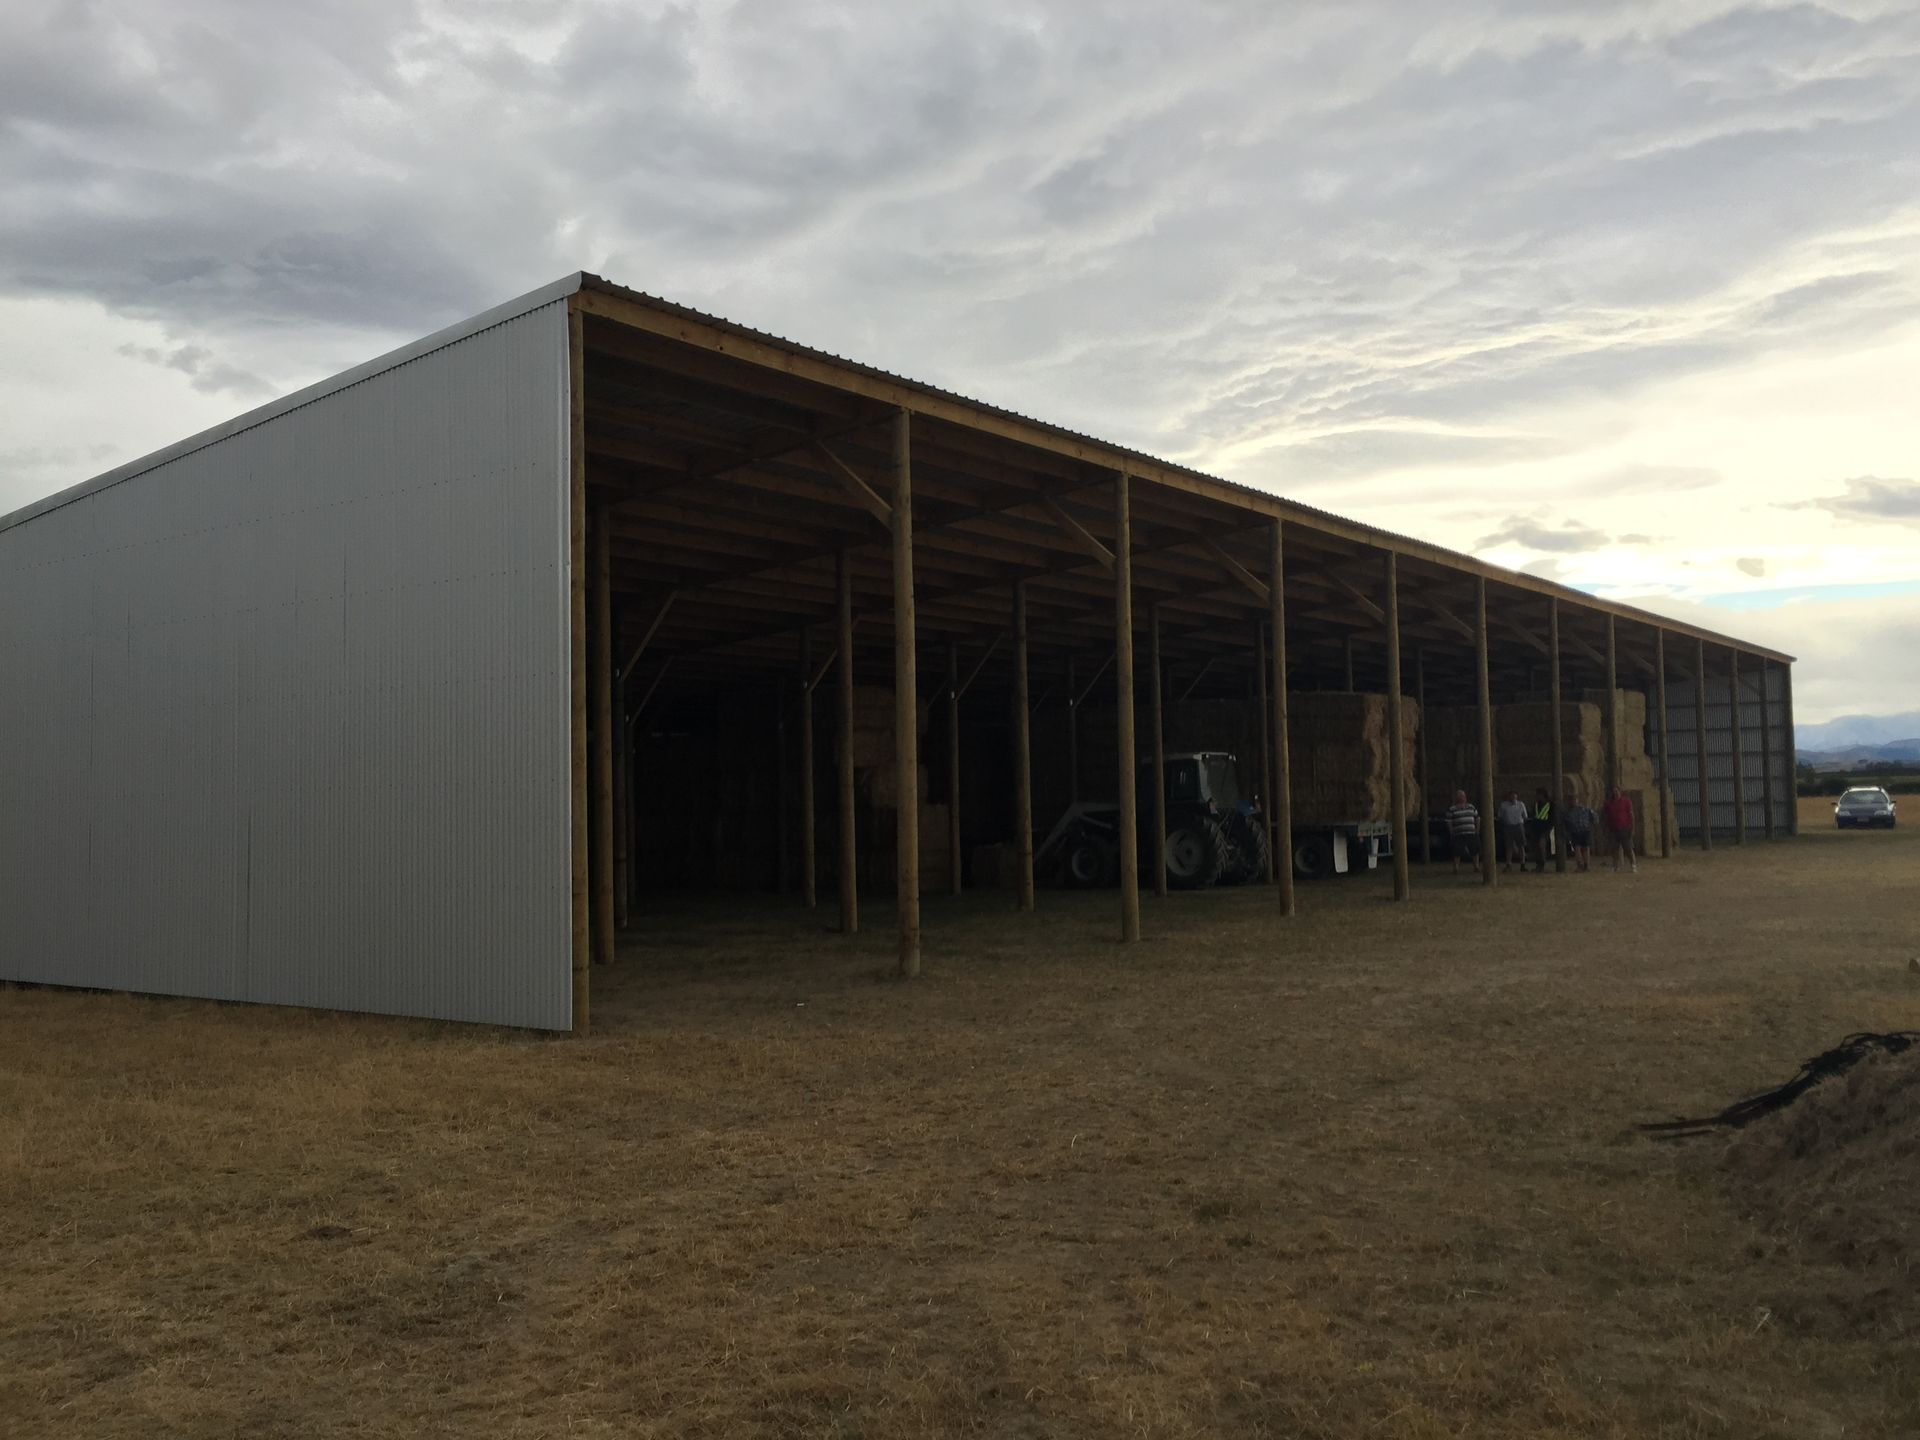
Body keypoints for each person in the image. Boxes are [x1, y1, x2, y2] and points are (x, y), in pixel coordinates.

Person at [1445, 788, 1481, 876]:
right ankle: (1456, 868)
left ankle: (1476, 866)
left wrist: (1477, 830)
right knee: (1457, 851)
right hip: (1458, 833)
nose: (1462, 797)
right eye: (1460, 796)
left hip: (1471, 832)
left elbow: (1477, 818)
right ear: (1457, 798)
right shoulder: (1452, 809)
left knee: (1475, 850)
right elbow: (1448, 821)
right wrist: (1451, 831)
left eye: (1463, 796)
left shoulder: (1471, 807)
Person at [1603, 786, 1637, 873]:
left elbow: (1631, 815)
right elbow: (1606, 817)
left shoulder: (1626, 801)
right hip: (1614, 829)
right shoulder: (1609, 804)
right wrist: (1606, 828)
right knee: (1614, 849)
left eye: (1617, 791)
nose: (1615, 793)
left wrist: (1632, 828)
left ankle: (1633, 864)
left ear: (1620, 792)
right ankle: (1616, 866)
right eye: (1614, 792)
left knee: (1628, 848)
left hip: (1625, 828)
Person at [1495, 790, 1529, 873]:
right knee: (1509, 846)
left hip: (1518, 826)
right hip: (1508, 827)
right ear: (1508, 797)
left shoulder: (1521, 804)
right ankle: (1509, 864)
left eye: (1514, 796)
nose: (1513, 798)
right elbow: (1500, 816)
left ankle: (1523, 864)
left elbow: (1525, 816)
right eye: (1511, 796)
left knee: (1521, 846)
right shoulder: (1503, 805)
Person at [1563, 791, 1596, 872]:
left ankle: (1584, 865)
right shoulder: (1571, 811)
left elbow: (1593, 817)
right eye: (1571, 800)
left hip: (1581, 830)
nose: (1572, 801)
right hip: (1579, 831)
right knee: (1580, 848)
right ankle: (1583, 865)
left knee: (1582, 848)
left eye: (1573, 799)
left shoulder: (1574, 811)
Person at [1528, 786, 1555, 873]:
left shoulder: (1550, 804)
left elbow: (1552, 818)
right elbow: (1533, 815)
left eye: (1538, 794)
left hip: (1545, 828)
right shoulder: (1536, 804)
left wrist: (1549, 828)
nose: (1537, 796)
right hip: (1536, 828)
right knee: (1536, 847)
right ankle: (1538, 864)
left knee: (1541, 845)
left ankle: (1542, 863)